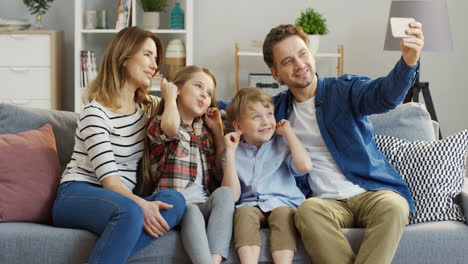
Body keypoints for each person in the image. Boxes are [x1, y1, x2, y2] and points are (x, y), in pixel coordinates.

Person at [262, 23, 424, 264]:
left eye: (302, 53)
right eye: (287, 61)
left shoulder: (345, 89)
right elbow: (236, 111)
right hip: (324, 204)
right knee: (306, 212)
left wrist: (408, 62)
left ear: (311, 53)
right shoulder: (275, 112)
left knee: (395, 205)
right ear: (276, 74)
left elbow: (384, 95)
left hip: (369, 193)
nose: (299, 65)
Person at [52, 27, 186, 264]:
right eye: (147, 55)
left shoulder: (147, 108)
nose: (154, 65)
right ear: (124, 58)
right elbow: (111, 183)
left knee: (175, 201)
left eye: (156, 58)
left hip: (121, 202)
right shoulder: (96, 113)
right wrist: (142, 205)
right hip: (77, 194)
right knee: (131, 212)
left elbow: (189, 111)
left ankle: (112, 249)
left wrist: (172, 99)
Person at [140, 66, 235, 264]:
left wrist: (217, 131)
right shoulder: (159, 123)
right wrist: (170, 98)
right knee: (189, 209)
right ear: (178, 89)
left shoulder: (204, 134)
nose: (204, 94)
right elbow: (171, 128)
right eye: (198, 86)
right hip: (174, 205)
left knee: (225, 193)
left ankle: (214, 261)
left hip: (203, 204)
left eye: (209, 93)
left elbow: (219, 172)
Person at [222, 87, 312, 264]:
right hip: (250, 205)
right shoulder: (231, 153)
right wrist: (231, 153)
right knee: (244, 213)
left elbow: (305, 166)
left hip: (284, 203)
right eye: (256, 117)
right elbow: (231, 195)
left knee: (282, 214)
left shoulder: (282, 145)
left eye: (269, 114)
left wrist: (289, 133)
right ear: (238, 126)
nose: (266, 122)